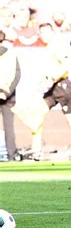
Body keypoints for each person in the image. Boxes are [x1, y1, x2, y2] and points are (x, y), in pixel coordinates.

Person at [0, 30, 20, 161]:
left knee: (9, 127)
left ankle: (12, 154)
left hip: (6, 94)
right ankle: (12, 156)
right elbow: (17, 75)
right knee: (9, 127)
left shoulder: (10, 55)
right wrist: (7, 92)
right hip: (8, 94)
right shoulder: (11, 55)